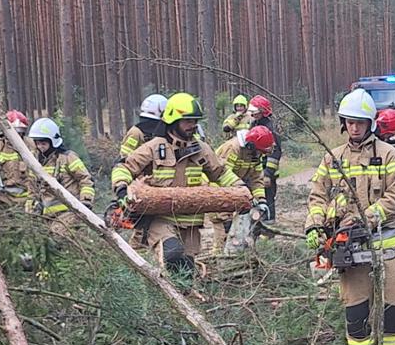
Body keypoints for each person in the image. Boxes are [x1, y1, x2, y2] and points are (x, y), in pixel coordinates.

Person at [307, 89, 395, 345]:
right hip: (349, 249)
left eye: (360, 122)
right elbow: (317, 195)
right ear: (344, 123)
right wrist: (315, 226)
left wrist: (369, 217)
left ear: (370, 123)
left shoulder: (389, 154)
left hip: (386, 243)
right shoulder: (333, 158)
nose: (354, 128)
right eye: (350, 122)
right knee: (356, 310)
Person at [111, 92, 238, 273]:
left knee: (186, 272)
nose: (193, 125)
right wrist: (122, 189)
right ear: (173, 120)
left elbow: (221, 173)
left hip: (191, 224)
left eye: (195, 121)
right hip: (161, 220)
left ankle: (172, 290)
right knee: (172, 253)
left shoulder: (201, 149)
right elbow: (124, 167)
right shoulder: (155, 147)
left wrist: (241, 190)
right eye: (187, 121)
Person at [208, 125, 276, 255]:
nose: (261, 154)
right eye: (260, 151)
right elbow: (221, 174)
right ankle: (218, 257)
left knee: (241, 226)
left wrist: (261, 199)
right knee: (224, 224)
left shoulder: (255, 153)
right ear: (251, 146)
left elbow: (256, 178)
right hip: (217, 189)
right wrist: (242, 192)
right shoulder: (233, 148)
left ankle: (236, 255)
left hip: (237, 190)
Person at [26, 118, 96, 222]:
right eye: (38, 143)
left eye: (43, 143)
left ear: (53, 141)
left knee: (58, 231)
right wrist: (31, 207)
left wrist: (86, 200)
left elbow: (86, 180)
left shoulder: (68, 158)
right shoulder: (35, 161)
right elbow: (32, 187)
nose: (40, 147)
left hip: (70, 212)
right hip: (47, 216)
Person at [247, 95, 282, 221]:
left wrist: (268, 173)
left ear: (263, 111)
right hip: (255, 170)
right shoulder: (254, 124)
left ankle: (269, 223)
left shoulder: (270, 128)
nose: (254, 114)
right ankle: (258, 221)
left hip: (267, 170)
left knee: (268, 197)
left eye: (256, 112)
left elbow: (275, 152)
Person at [0, 110, 31, 205]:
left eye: (20, 132)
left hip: (28, 196)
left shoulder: (30, 144)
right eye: (14, 132)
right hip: (6, 198)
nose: (17, 136)